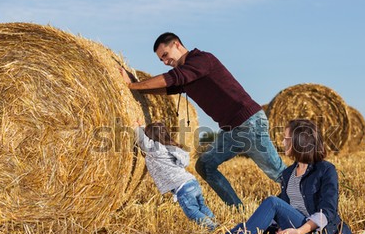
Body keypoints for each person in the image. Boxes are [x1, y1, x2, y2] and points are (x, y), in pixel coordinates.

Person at [140, 119, 352, 234]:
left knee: (271, 202)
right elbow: (285, 208)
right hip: (291, 229)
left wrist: (298, 231)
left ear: (300, 141)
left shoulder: (325, 170)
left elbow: (327, 212)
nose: (283, 142)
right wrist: (267, 225)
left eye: (287, 139)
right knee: (247, 226)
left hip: (314, 232)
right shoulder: (288, 173)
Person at [120, 32, 286, 207]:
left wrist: (131, 85)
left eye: (166, 55)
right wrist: (137, 87)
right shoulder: (187, 73)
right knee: (205, 165)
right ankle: (238, 210)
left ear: (177, 44)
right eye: (161, 60)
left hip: (249, 123)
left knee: (278, 173)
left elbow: (172, 79)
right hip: (232, 130)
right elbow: (167, 87)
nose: (165, 62)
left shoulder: (201, 60)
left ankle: (309, 204)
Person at [134, 120, 217, 230]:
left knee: (192, 212)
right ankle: (216, 221)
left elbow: (143, 142)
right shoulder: (171, 147)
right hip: (191, 182)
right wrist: (143, 127)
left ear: (150, 137)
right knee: (202, 206)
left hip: (182, 187)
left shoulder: (157, 149)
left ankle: (212, 227)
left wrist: (137, 128)